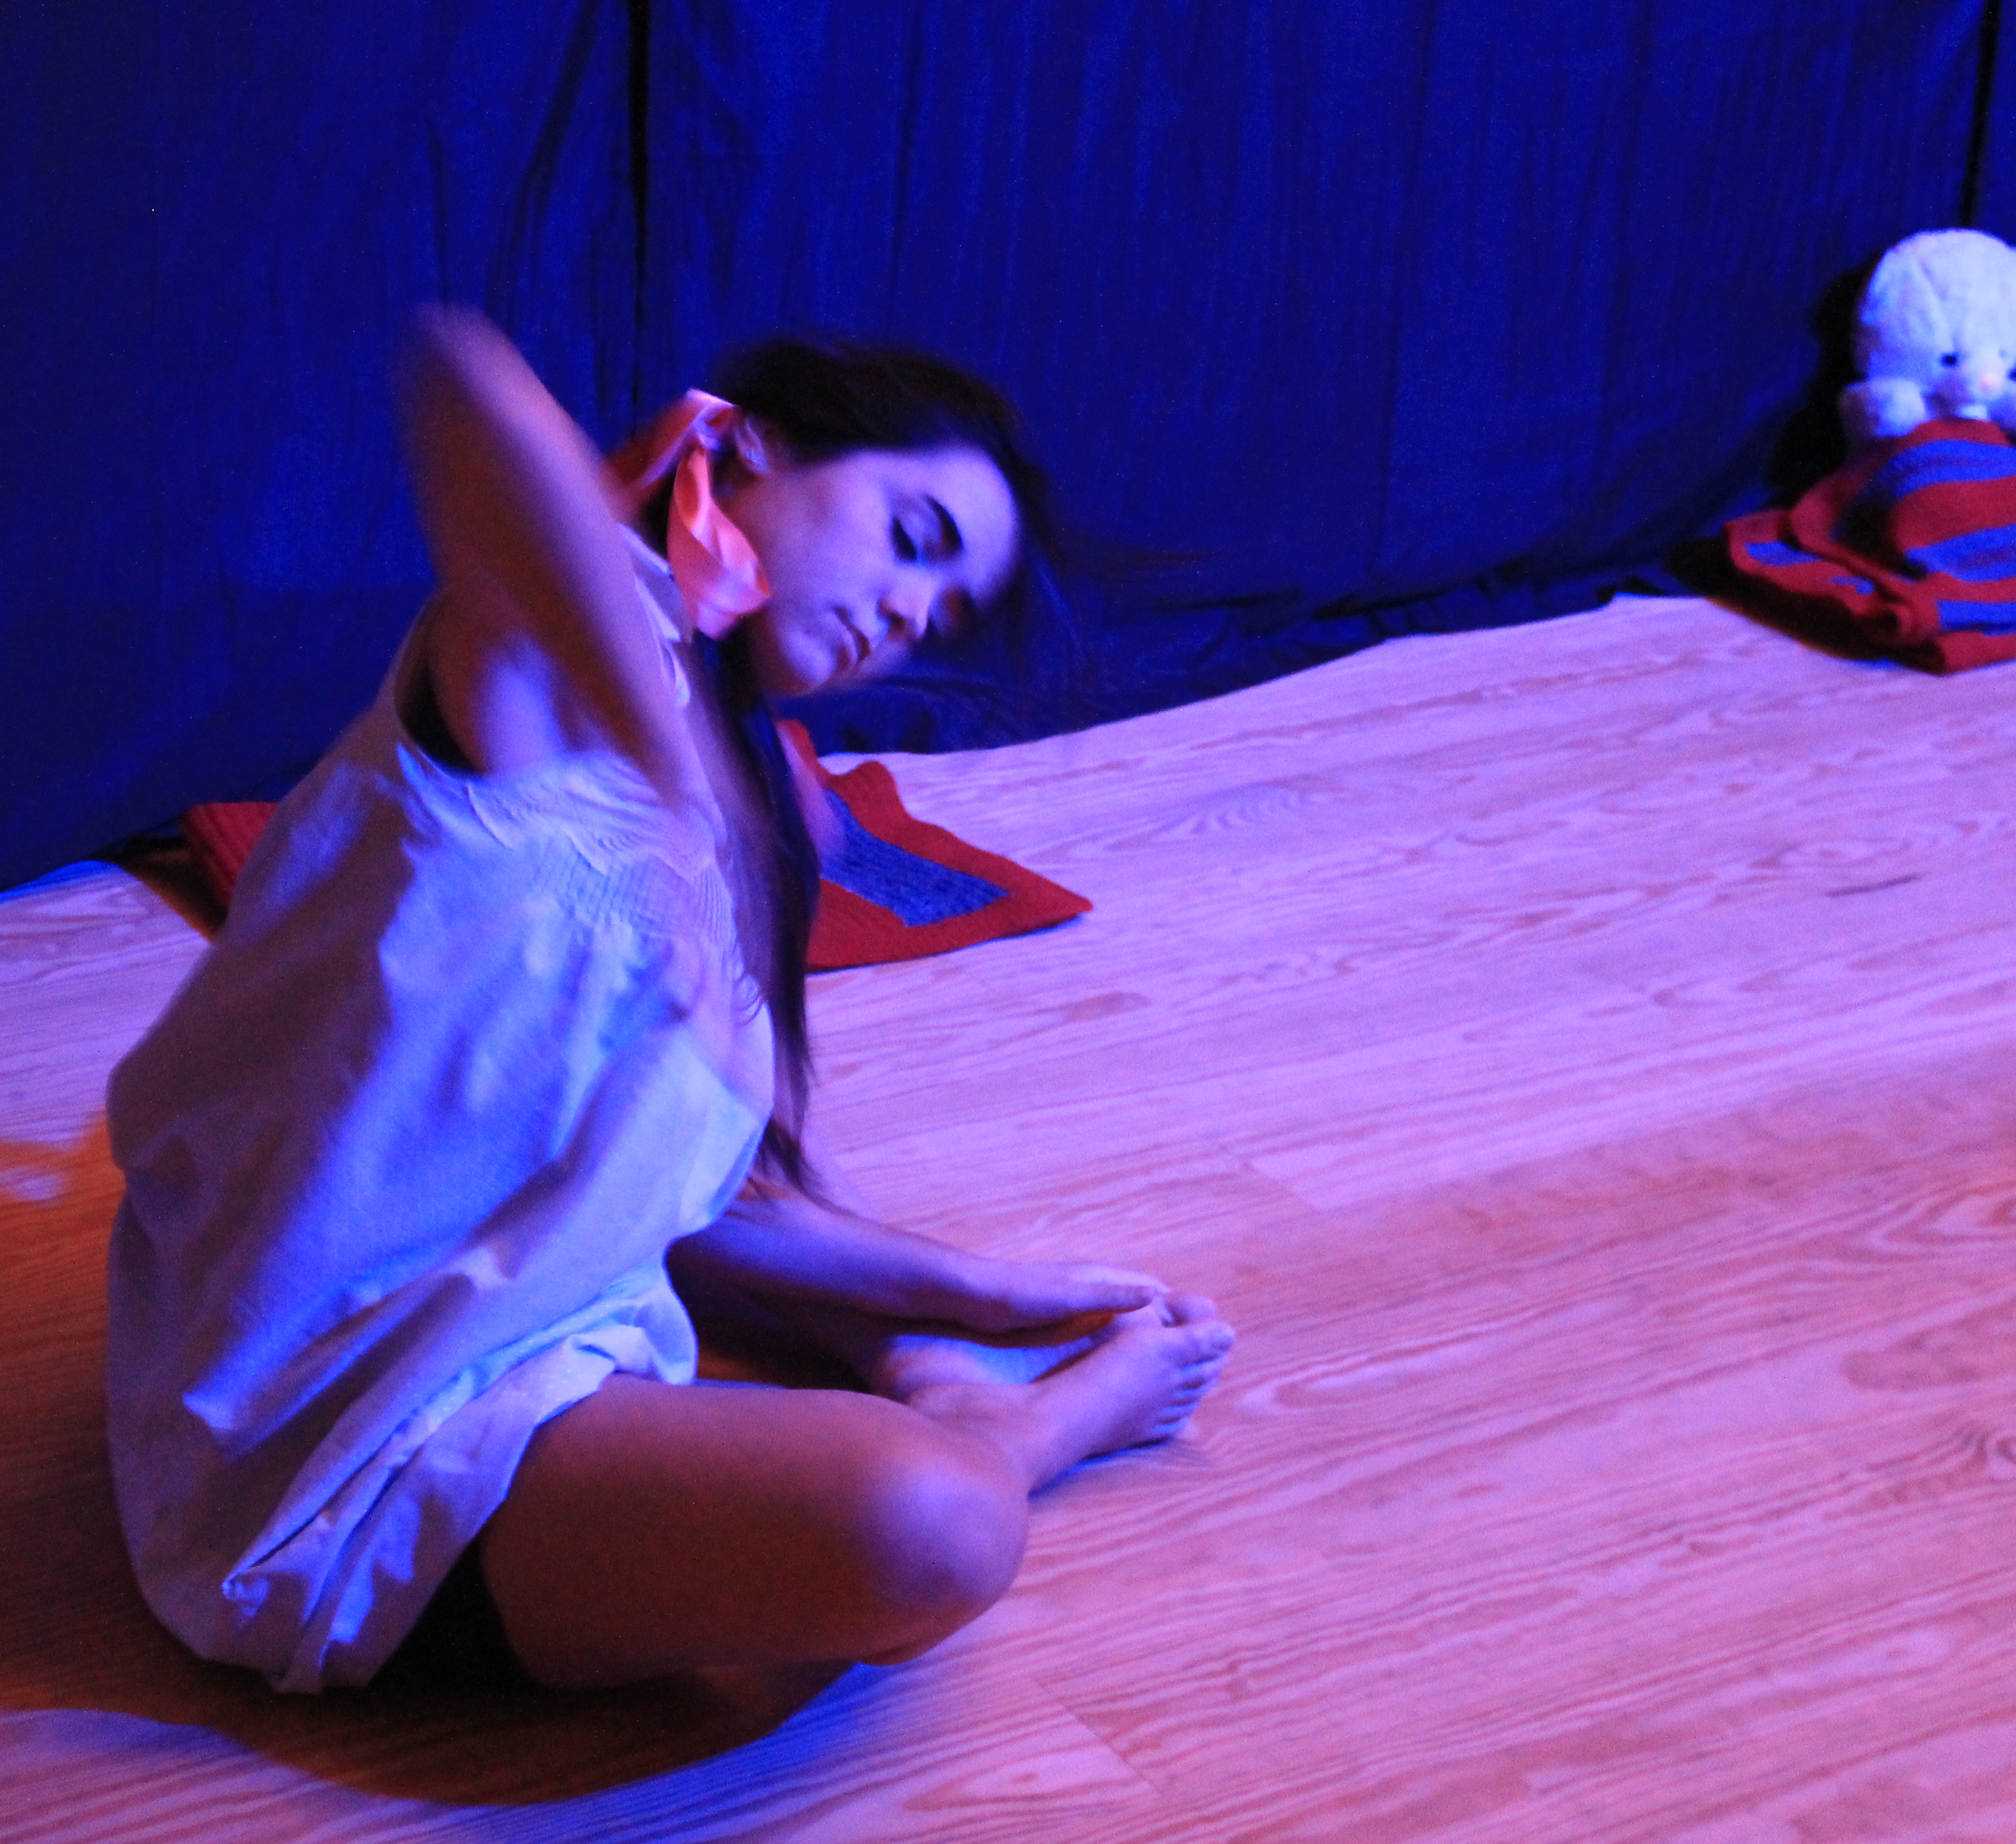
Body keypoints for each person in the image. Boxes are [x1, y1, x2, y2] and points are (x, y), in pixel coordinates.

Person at [104, 308, 1235, 1695]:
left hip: (537, 1306)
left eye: (938, 611)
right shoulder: (543, 663)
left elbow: (694, 1198)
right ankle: (1024, 1434)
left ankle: (926, 1363)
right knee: (936, 1518)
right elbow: (460, 373)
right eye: (912, 538)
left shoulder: (747, 802)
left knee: (769, 1187)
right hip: (328, 1435)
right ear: (747, 445)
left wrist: (975, 1287)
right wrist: (682, 760)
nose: (906, 613)